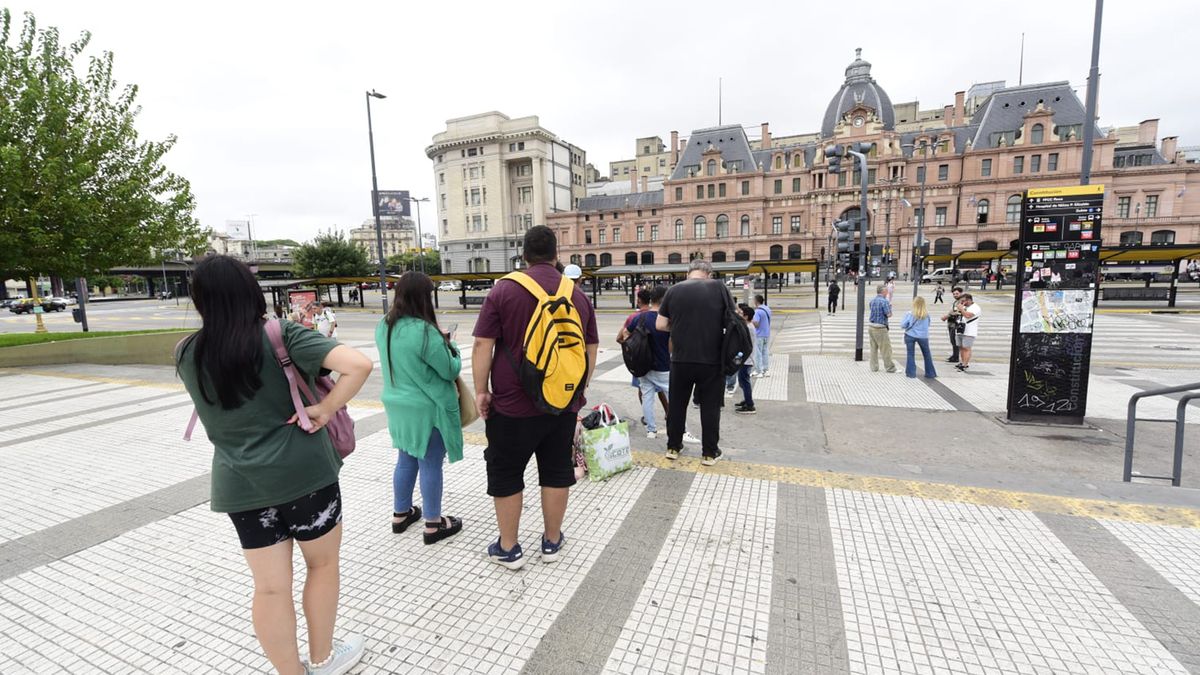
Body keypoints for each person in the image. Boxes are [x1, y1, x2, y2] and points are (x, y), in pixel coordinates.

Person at [175, 255, 373, 675]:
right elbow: (358, 365)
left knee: (268, 589)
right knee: (321, 566)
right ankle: (323, 658)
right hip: (305, 477)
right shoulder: (278, 335)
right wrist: (324, 408)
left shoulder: (186, 352)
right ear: (251, 293)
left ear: (201, 300)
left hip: (240, 486)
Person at [472, 226, 599, 570]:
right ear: (556, 255)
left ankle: (509, 548)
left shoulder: (504, 291)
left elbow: (484, 344)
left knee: (507, 472)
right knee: (557, 471)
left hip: (512, 405)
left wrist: (482, 390)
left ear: (523, 255)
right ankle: (552, 541)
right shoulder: (577, 294)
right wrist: (579, 391)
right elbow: (590, 347)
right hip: (561, 404)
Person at [377, 272, 464, 546]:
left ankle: (400, 514)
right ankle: (433, 524)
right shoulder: (425, 332)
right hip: (428, 410)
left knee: (405, 459)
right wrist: (452, 346)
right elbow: (449, 370)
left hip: (398, 407)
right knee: (430, 463)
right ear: (423, 297)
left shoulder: (384, 325)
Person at [656, 259, 728, 466]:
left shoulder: (674, 290)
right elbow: (731, 321)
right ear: (709, 274)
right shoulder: (719, 288)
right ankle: (709, 453)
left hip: (680, 360)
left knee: (677, 405)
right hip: (711, 361)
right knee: (710, 408)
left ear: (688, 273)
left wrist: (679, 328)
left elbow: (660, 325)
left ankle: (673, 447)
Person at [619, 288, 666, 423]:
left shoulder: (635, 317)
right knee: (666, 392)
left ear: (639, 300)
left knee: (645, 393)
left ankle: (649, 425)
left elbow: (622, 335)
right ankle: (671, 416)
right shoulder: (665, 317)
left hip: (642, 361)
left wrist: (633, 347)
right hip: (662, 362)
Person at [636, 285, 676, 438]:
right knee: (673, 397)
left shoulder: (641, 317)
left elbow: (624, 335)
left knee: (647, 397)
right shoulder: (666, 319)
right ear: (664, 300)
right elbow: (671, 345)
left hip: (644, 366)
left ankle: (651, 430)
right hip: (663, 365)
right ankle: (679, 428)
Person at [901, 296, 937, 379]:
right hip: (923, 336)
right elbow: (928, 324)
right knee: (927, 354)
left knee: (910, 354)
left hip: (910, 335)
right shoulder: (926, 314)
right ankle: (930, 373)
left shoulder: (910, 313)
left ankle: (911, 373)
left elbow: (903, 325)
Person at [734, 304, 757, 415]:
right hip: (746, 358)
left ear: (746, 317)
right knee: (743, 381)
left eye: (741, 314)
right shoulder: (749, 326)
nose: (739, 315)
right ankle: (747, 399)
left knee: (744, 381)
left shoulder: (748, 328)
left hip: (746, 359)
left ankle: (750, 404)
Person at [867, 284, 897, 373]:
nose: (888, 292)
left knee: (873, 349)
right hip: (880, 328)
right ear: (883, 291)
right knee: (886, 349)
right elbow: (888, 314)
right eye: (886, 290)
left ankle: (874, 367)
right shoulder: (884, 302)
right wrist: (890, 309)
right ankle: (890, 368)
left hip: (871, 326)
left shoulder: (872, 301)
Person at [955, 293, 982, 372]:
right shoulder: (964, 306)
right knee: (961, 347)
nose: (962, 303)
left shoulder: (975, 307)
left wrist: (961, 309)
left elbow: (967, 315)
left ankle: (965, 364)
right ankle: (962, 362)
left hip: (969, 331)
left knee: (966, 348)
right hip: (960, 329)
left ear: (969, 300)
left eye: (963, 301)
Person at [940, 286, 964, 363]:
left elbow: (957, 312)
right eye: (954, 294)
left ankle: (955, 357)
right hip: (951, 323)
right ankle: (954, 355)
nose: (955, 295)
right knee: (953, 341)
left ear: (961, 293)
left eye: (957, 293)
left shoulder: (961, 302)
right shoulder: (956, 301)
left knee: (954, 341)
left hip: (955, 324)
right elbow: (952, 311)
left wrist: (946, 316)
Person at [751, 294, 772, 378]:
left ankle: (758, 370)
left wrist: (750, 321)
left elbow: (756, 324)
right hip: (766, 333)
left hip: (759, 334)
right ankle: (766, 370)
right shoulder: (767, 309)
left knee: (758, 353)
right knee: (765, 352)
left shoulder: (757, 311)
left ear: (756, 301)